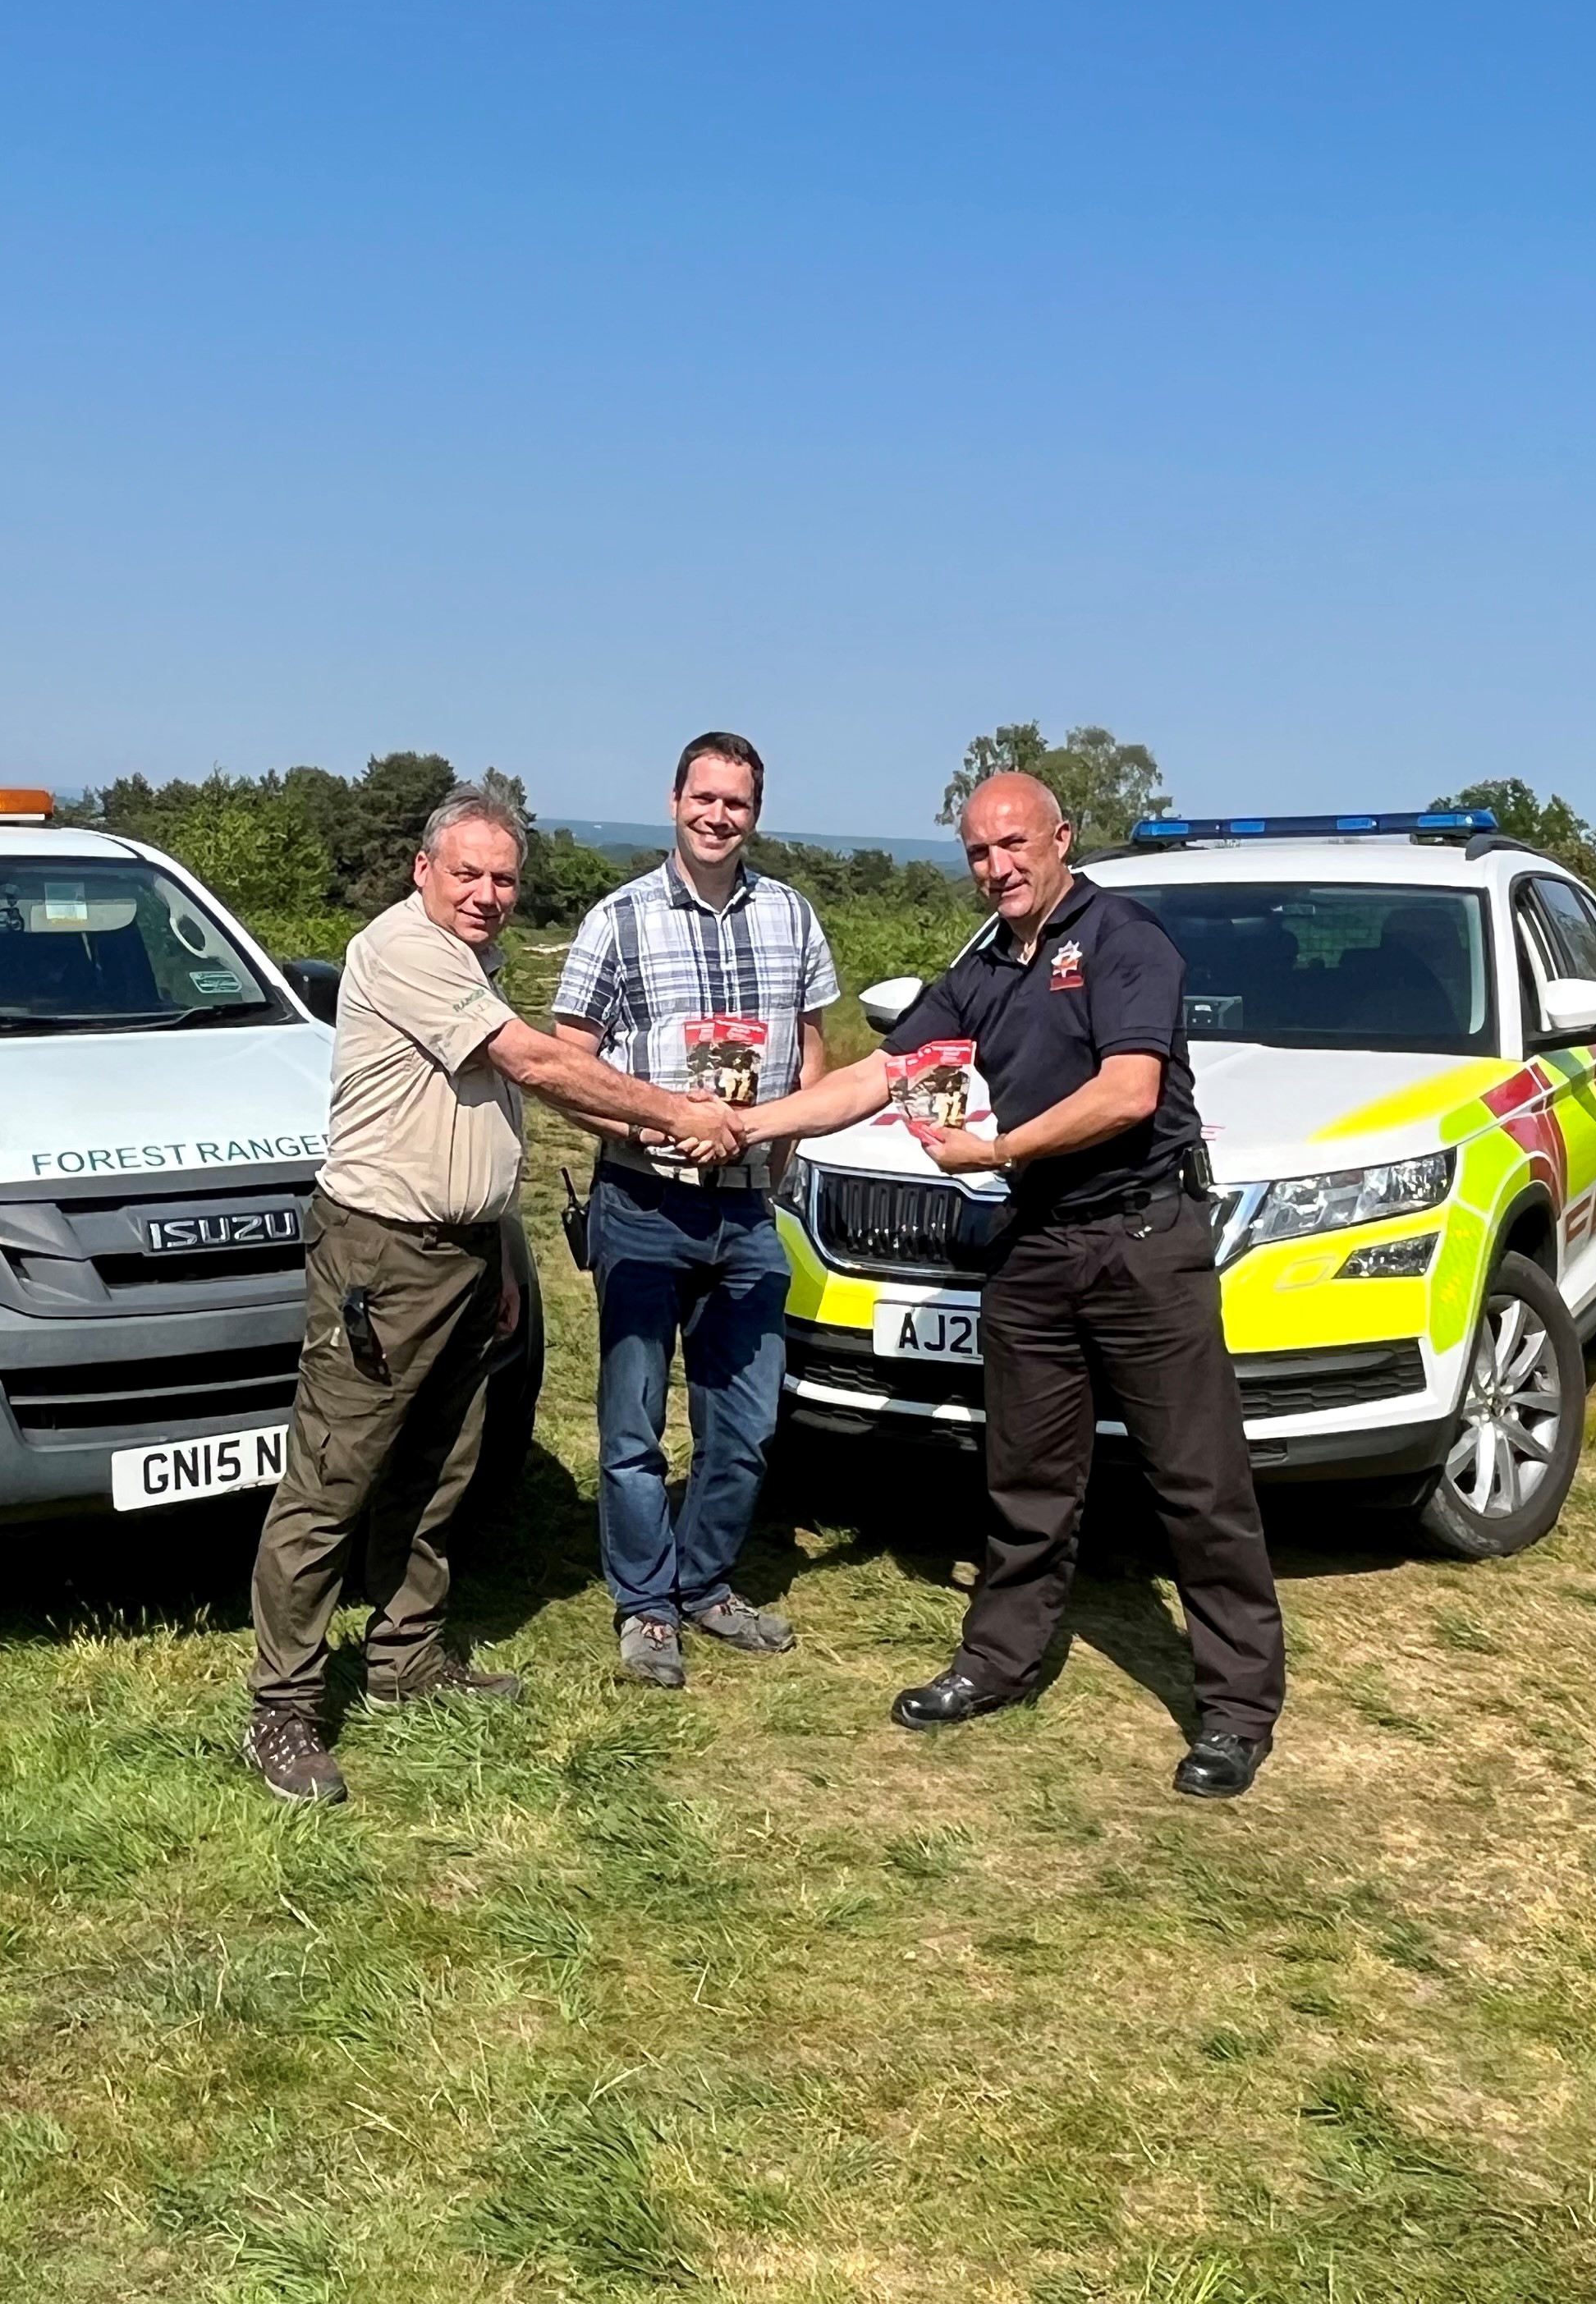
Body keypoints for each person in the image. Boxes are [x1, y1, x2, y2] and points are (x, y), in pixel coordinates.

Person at [735, 771, 1286, 1798]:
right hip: (1035, 1243)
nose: (997, 867)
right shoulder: (984, 966)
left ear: (1060, 839)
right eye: (979, 853)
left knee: (1198, 1484)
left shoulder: (1125, 942)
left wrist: (997, 1149)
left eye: (1013, 845)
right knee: (1026, 1474)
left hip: (1143, 1236)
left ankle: (1238, 1708)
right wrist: (749, 1124)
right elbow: (882, 1074)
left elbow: (1131, 1093)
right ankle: (997, 1662)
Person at [244, 783, 748, 1806]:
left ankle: (407, 1659)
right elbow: (529, 1061)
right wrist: (671, 1113)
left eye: (504, 877)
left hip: (467, 1249)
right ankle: (281, 1707)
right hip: (383, 1255)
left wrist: (501, 1254)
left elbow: (484, 1114)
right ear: (421, 870)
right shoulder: (405, 948)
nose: (486, 894)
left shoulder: (472, 955)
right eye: (465, 873)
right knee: (334, 1480)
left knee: (438, 1468)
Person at [551, 730, 840, 1687]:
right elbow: (568, 1061)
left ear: (756, 814)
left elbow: (811, 1050)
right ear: (674, 801)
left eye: (738, 803)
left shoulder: (792, 917)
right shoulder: (618, 920)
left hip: (749, 1206)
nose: (719, 816)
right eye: (704, 798)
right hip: (642, 1199)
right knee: (633, 1424)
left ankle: (706, 1584)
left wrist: (779, 1153)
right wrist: (652, 1131)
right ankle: (646, 1608)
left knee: (746, 1424)